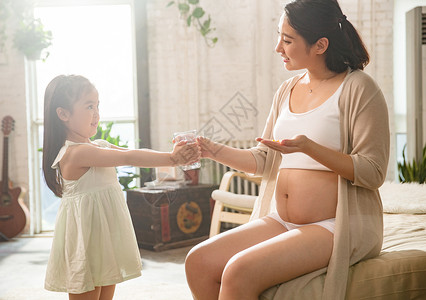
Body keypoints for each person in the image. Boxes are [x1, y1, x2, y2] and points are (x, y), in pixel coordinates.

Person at [185, 0, 390, 299]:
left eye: (288, 40)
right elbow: (263, 161)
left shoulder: (359, 89)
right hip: (282, 220)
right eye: (279, 36)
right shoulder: (287, 90)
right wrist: (212, 150)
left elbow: (373, 172)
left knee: (238, 270)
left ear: (320, 45)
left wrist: (309, 148)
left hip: (335, 225)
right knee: (199, 262)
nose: (278, 47)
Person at [42, 75, 200, 300]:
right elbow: (128, 156)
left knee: (106, 292)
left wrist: (173, 156)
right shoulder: (75, 153)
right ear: (63, 114)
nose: (96, 113)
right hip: (85, 239)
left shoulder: (98, 146)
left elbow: (134, 154)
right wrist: (172, 159)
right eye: (89, 106)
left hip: (104, 234)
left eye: (98, 105)